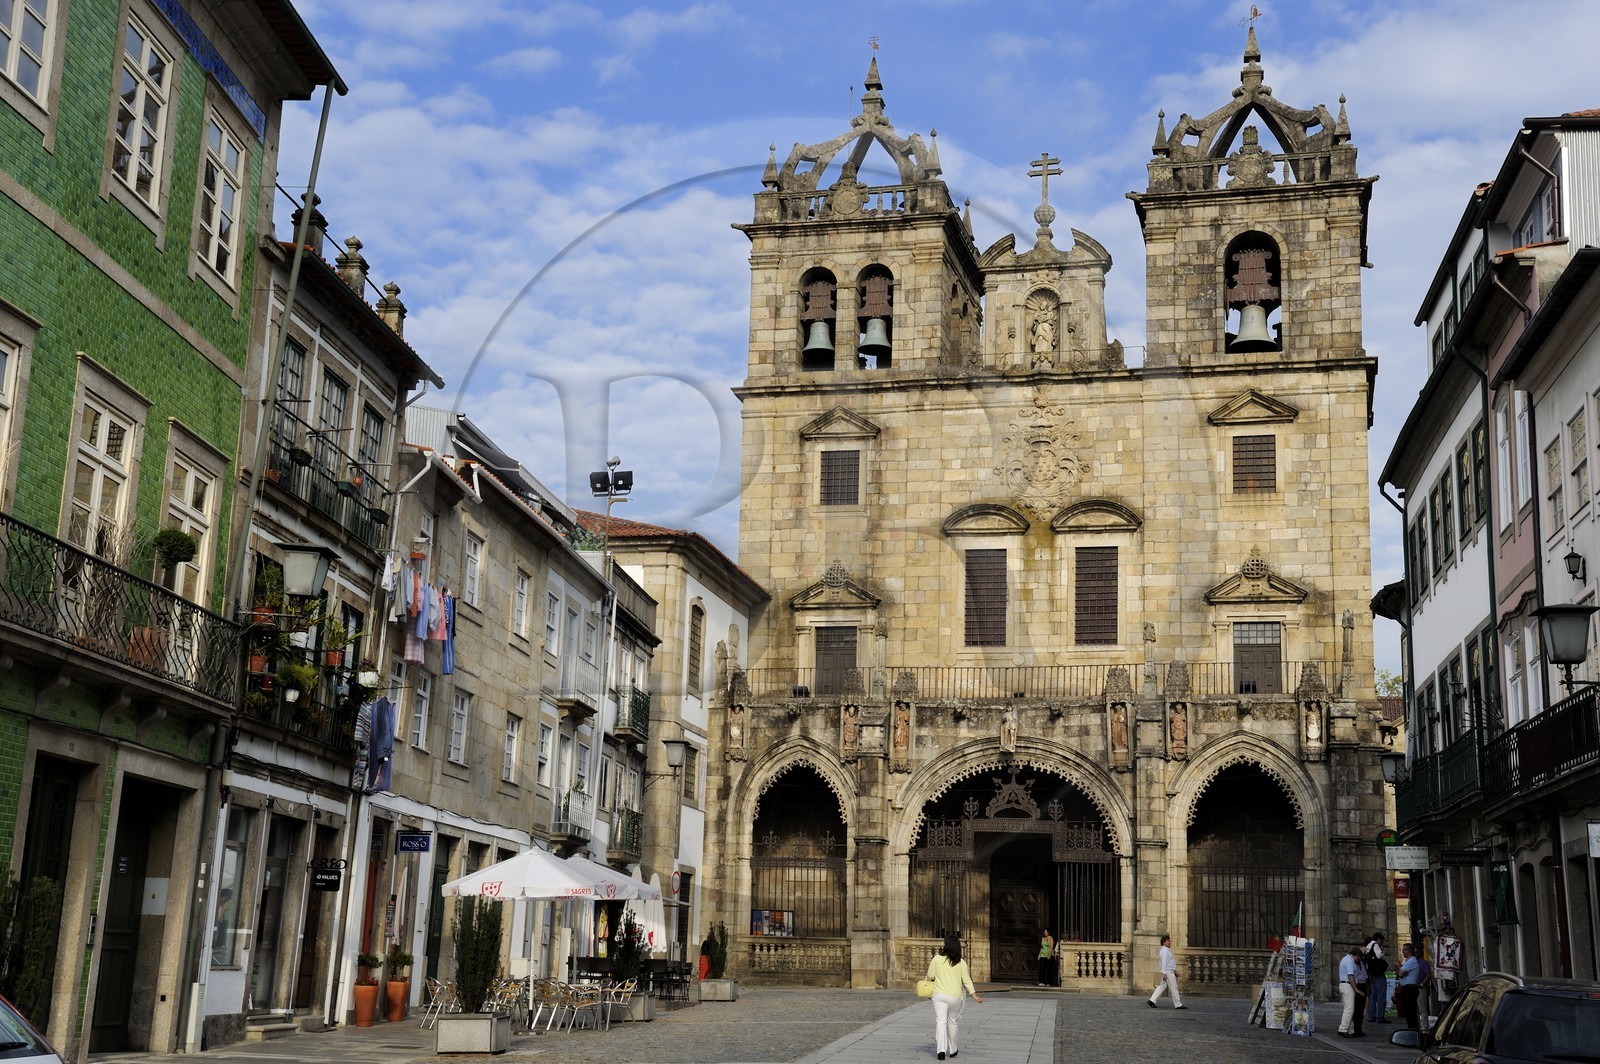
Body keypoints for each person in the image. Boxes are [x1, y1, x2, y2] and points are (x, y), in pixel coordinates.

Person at [927, 933, 982, 1060]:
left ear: (945, 945)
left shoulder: (936, 959)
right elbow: (967, 980)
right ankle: (952, 1050)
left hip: (939, 995)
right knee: (952, 1022)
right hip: (954, 997)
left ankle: (941, 1050)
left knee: (940, 1022)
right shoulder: (961, 962)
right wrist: (974, 995)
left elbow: (930, 975)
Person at [1394, 942, 1427, 1031]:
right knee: (1409, 1011)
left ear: (1409, 951)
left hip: (1410, 988)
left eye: (1404, 949)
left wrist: (1398, 968)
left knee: (1410, 1011)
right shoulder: (1408, 962)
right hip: (1407, 988)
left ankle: (1413, 1030)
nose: (1402, 952)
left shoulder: (1411, 961)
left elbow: (1400, 973)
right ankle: (1412, 1029)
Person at [1147, 934, 1184, 1009]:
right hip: (1168, 972)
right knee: (1173, 987)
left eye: (1170, 941)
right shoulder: (1164, 951)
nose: (1170, 942)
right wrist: (1164, 974)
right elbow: (1163, 963)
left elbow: (1170, 962)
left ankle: (1152, 1000)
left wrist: (1174, 971)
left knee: (1162, 986)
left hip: (1169, 971)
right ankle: (1178, 1004)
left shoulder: (1166, 950)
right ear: (1164, 942)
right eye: (1168, 941)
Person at [1338, 945, 1367, 1037]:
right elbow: (1350, 976)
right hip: (1347, 986)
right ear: (1357, 956)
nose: (1360, 960)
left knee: (1348, 1008)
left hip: (1343, 985)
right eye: (1360, 957)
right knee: (1349, 1009)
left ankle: (1350, 1029)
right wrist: (1356, 989)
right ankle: (1343, 1028)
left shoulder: (1345, 959)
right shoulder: (1350, 961)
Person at [1363, 932, 1388, 1023]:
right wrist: (1383, 953)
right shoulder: (1375, 945)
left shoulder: (1368, 946)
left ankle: (1371, 1015)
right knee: (1381, 995)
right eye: (1381, 941)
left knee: (1373, 995)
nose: (1381, 943)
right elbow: (1379, 955)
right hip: (1378, 973)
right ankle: (1380, 1016)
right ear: (1378, 939)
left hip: (1370, 972)